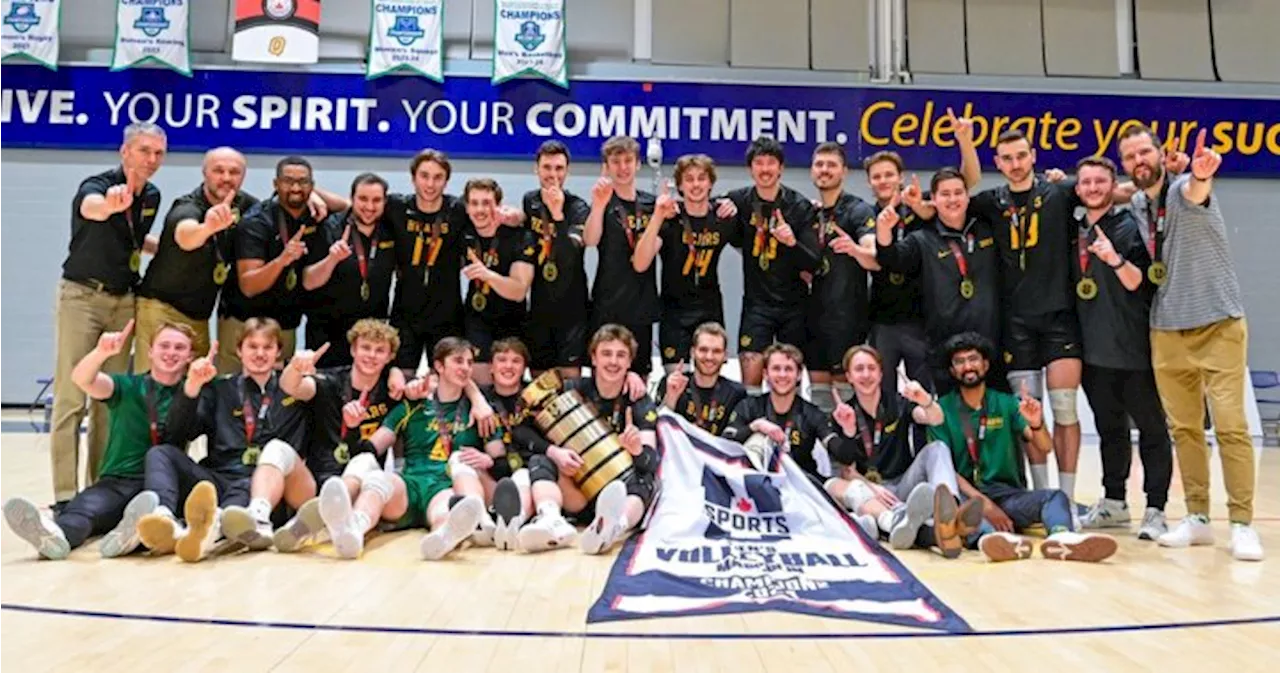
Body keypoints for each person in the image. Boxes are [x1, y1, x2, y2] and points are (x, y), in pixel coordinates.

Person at [1119, 126, 1262, 561]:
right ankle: (1198, 517)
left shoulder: (1184, 189)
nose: (1139, 160)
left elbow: (1197, 189)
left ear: (1163, 153)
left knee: (1231, 427)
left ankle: (1241, 523)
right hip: (1166, 328)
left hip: (1218, 322)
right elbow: (1127, 189)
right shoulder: (1140, 203)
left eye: (1145, 152)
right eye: (1130, 156)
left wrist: (1200, 173)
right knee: (1183, 429)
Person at [3, 321, 194, 559]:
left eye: (180, 348)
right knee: (84, 510)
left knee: (154, 513)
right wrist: (101, 353)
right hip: (117, 481)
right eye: (164, 346)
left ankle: (133, 534)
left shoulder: (193, 393)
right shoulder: (127, 386)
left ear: (190, 356)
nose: (171, 353)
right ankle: (54, 536)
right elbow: (82, 379)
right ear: (150, 352)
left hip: (162, 485)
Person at [965, 129, 1086, 502]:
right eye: (1007, 158)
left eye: (1021, 156)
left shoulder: (1060, 192)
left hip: (1059, 316)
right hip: (1015, 323)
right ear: (998, 163)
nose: (1015, 165)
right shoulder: (989, 202)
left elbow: (1109, 191)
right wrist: (965, 142)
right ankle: (1041, 494)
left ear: (1033, 155)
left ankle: (1065, 496)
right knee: (1027, 414)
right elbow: (951, 197)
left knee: (1065, 408)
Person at [51, 122, 165, 507]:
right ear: (125, 151)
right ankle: (65, 495)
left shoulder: (152, 195)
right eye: (144, 150)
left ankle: (99, 488)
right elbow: (93, 209)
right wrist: (111, 204)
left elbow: (131, 238)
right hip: (83, 296)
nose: (151, 160)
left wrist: (166, 249)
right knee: (71, 396)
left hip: (124, 302)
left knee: (108, 397)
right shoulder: (98, 186)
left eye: (158, 153)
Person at [930, 332, 1117, 563]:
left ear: (985, 365)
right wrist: (984, 503)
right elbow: (946, 468)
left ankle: (1062, 539)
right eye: (959, 362)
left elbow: (1045, 447)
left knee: (1055, 497)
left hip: (1008, 495)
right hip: (968, 497)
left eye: (973, 359)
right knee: (966, 517)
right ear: (952, 371)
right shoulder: (941, 409)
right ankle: (995, 542)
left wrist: (1037, 423)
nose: (967, 366)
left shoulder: (1006, 403)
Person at [134, 318, 308, 563]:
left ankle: (209, 530)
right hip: (217, 477)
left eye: (267, 347)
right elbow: (177, 435)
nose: (260, 354)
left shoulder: (295, 391)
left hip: (260, 486)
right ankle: (164, 519)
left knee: (243, 493)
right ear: (239, 350)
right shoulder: (219, 388)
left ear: (279, 351)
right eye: (252, 346)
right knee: (161, 453)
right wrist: (192, 386)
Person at [219, 319, 402, 551]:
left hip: (358, 487)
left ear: (390, 357)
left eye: (380, 351)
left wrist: (353, 427)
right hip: (313, 487)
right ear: (353, 350)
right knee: (276, 448)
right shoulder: (330, 381)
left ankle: (326, 519)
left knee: (364, 461)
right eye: (365, 348)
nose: (371, 355)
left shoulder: (393, 391)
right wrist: (295, 368)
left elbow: (375, 446)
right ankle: (258, 518)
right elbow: (291, 387)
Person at [314, 337, 498, 561]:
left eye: (470, 363)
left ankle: (443, 537)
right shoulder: (411, 406)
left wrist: (487, 459)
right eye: (458, 361)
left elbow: (499, 456)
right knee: (378, 480)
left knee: (448, 508)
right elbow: (371, 448)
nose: (466, 368)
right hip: (409, 484)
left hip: (445, 483)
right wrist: (353, 428)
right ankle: (353, 530)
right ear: (439, 366)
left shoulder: (479, 410)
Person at [1069, 157, 1171, 541]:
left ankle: (1156, 508)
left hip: (1135, 349)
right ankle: (1114, 501)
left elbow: (1137, 282)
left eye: (1100, 181)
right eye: (1086, 182)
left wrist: (1114, 259)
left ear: (1113, 186)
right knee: (1109, 429)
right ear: (1077, 189)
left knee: (1151, 430)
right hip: (1094, 352)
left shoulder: (1130, 226)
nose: (1093, 188)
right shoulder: (1074, 230)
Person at [518, 325, 661, 555]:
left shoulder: (638, 400)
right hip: (579, 495)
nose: (613, 361)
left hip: (621, 492)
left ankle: (613, 529)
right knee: (540, 461)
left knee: (647, 479)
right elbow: (520, 429)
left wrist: (636, 450)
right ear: (593, 358)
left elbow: (651, 461)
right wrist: (554, 451)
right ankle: (552, 522)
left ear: (629, 362)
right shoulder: (571, 389)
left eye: (621, 355)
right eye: (606, 353)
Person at [826, 345, 981, 555]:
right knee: (840, 488)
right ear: (849, 377)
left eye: (871, 368)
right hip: (870, 495)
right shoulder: (844, 413)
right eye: (859, 369)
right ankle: (932, 531)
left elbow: (936, 419)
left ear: (881, 373)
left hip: (904, 486)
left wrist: (925, 401)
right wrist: (872, 487)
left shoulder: (898, 402)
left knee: (937, 449)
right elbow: (846, 471)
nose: (866, 375)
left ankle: (948, 512)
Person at [875, 168, 1002, 395]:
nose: (952, 199)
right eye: (945, 194)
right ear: (933, 199)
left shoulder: (987, 227)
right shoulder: (922, 239)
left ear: (967, 196)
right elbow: (891, 260)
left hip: (991, 343)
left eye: (958, 193)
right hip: (945, 349)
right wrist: (883, 230)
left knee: (995, 419)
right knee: (949, 421)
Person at [135, 147, 257, 372]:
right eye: (218, 171)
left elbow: (272, 210)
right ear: (205, 173)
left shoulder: (245, 205)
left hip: (200, 316)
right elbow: (185, 236)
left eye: (234, 172)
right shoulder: (188, 206)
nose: (226, 178)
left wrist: (314, 196)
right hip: (162, 308)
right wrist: (208, 228)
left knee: (196, 387)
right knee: (154, 383)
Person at [724, 137, 820, 393]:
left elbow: (813, 262)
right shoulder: (738, 201)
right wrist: (722, 207)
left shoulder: (799, 206)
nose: (765, 169)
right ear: (750, 168)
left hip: (794, 306)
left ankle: (791, 431)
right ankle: (752, 430)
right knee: (750, 383)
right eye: (759, 163)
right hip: (757, 305)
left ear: (781, 168)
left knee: (789, 381)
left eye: (771, 163)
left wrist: (791, 242)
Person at [632, 154, 736, 374]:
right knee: (676, 381)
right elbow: (640, 263)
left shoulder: (723, 216)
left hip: (709, 311)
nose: (695, 184)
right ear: (679, 184)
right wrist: (658, 217)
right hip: (674, 314)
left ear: (710, 183)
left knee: (709, 380)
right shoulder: (669, 218)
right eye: (689, 179)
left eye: (701, 178)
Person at [221, 157, 326, 369]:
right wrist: (282, 260)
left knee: (279, 396)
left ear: (312, 186)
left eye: (303, 182)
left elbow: (349, 207)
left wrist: (319, 197)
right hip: (244, 322)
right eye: (288, 181)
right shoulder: (256, 222)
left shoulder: (314, 215)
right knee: (232, 395)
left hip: (285, 325)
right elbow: (249, 286)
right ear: (276, 184)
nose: (296, 187)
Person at [805, 142, 878, 413]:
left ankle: (851, 453)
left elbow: (873, 255)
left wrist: (855, 248)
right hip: (812, 320)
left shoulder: (858, 210)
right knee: (819, 400)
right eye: (819, 165)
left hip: (847, 319)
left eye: (831, 165)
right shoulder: (808, 213)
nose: (825, 170)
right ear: (812, 170)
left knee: (848, 401)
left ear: (844, 172)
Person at [301, 173, 397, 368]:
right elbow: (308, 281)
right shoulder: (330, 227)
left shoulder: (392, 228)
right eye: (363, 199)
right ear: (351, 199)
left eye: (376, 200)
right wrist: (332, 259)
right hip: (327, 331)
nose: (369, 207)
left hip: (371, 335)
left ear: (385, 202)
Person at [584, 136, 660, 377]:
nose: (623, 167)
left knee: (639, 377)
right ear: (606, 166)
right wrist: (597, 206)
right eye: (615, 161)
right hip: (606, 303)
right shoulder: (601, 202)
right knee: (604, 376)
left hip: (642, 304)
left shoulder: (652, 204)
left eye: (628, 160)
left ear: (638, 164)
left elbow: (644, 260)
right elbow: (590, 240)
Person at [863, 151, 932, 401]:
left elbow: (964, 184)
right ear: (869, 182)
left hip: (920, 320)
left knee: (922, 395)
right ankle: (889, 442)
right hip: (882, 321)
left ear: (900, 177)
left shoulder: (920, 206)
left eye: (889, 175)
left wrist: (918, 206)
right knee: (883, 396)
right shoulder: (866, 215)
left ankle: (925, 442)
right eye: (876, 176)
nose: (883, 180)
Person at [520, 141, 593, 379]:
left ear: (567, 171)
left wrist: (558, 214)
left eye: (559, 168)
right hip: (539, 307)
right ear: (536, 169)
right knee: (540, 387)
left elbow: (570, 254)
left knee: (570, 387)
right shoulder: (529, 201)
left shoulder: (578, 207)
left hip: (572, 310)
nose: (553, 175)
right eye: (547, 167)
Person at [460, 178, 536, 385]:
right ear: (466, 207)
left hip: (512, 323)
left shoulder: (520, 237)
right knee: (481, 387)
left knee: (508, 387)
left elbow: (519, 290)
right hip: (477, 321)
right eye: (474, 203)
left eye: (486, 203)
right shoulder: (463, 232)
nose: (480, 209)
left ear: (498, 206)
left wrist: (487, 275)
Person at [657, 322, 746, 436]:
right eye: (703, 350)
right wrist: (671, 399)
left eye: (716, 351)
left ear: (725, 356)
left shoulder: (736, 393)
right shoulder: (672, 383)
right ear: (693, 352)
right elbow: (657, 430)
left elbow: (737, 436)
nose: (709, 357)